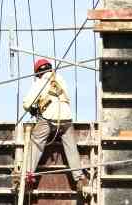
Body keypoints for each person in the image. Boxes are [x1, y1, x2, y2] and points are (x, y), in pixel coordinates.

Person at [21, 58, 88, 192]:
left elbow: (26, 103)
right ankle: (79, 178)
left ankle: (28, 174)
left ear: (38, 73)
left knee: (36, 142)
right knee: (71, 148)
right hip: (66, 118)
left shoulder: (40, 82)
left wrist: (33, 110)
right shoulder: (60, 79)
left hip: (48, 118)